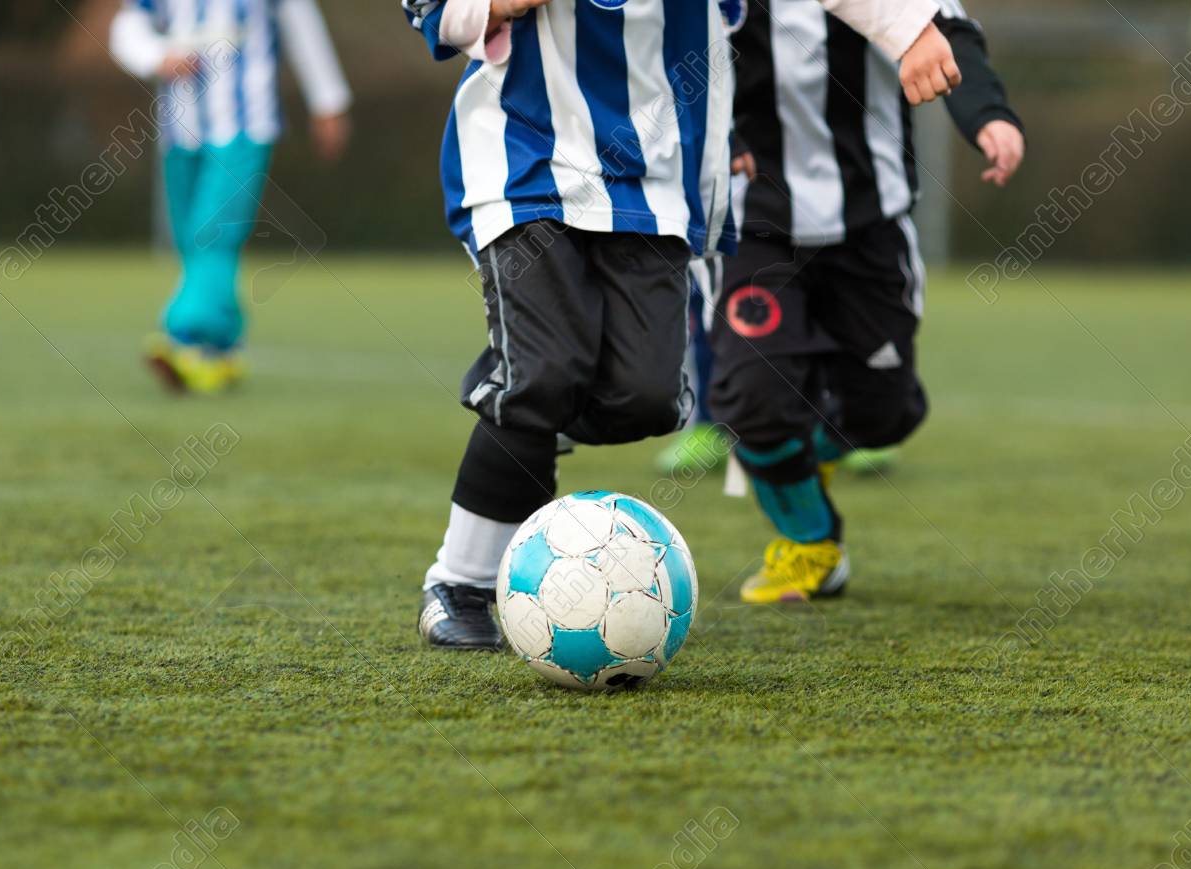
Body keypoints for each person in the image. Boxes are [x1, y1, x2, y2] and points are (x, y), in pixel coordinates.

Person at [403, 0, 962, 650]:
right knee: (545, 372)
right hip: (524, 160)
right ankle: (459, 584)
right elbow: (433, 11)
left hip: (654, 182)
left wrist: (912, 30)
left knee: (647, 398)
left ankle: (526, 409)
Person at [708, 0, 1025, 603]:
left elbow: (951, 34)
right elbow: (657, 60)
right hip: (757, 231)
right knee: (754, 401)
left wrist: (989, 117)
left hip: (869, 229)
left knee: (886, 414)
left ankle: (809, 453)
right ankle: (811, 544)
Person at [109, 0, 352, 393]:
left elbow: (303, 25)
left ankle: (181, 337)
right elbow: (128, 26)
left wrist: (329, 101)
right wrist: (156, 56)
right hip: (180, 126)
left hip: (245, 126)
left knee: (213, 233)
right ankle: (222, 350)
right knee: (191, 240)